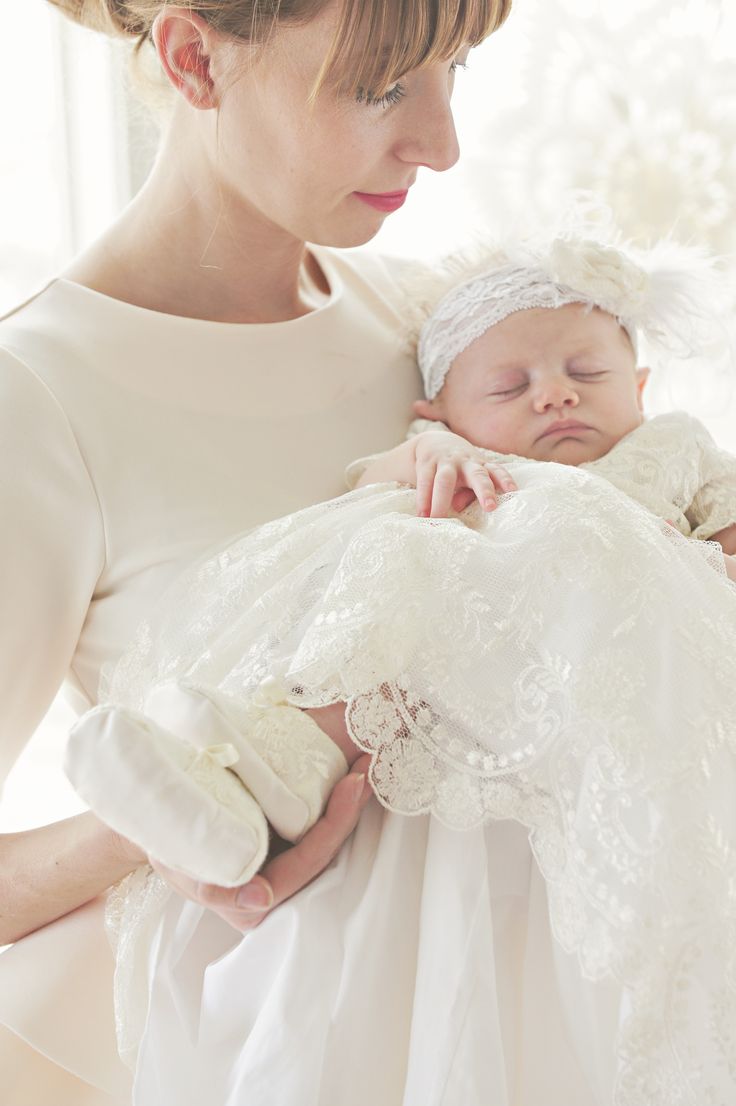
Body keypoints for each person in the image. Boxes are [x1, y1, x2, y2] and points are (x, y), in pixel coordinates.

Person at [67, 235, 736, 1105]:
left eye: (588, 371)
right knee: (393, 560)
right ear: (442, 414)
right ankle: (270, 767)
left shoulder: (675, 449)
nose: (557, 392)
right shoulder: (456, 468)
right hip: (454, 663)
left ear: (642, 389)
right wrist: (427, 466)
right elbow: (373, 499)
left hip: (610, 656)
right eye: (510, 387)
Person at [0, 2, 515, 1105]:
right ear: (195, 60)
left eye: (452, 68)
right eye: (383, 87)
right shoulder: (38, 399)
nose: (441, 141)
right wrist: (164, 822)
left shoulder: (424, 326)